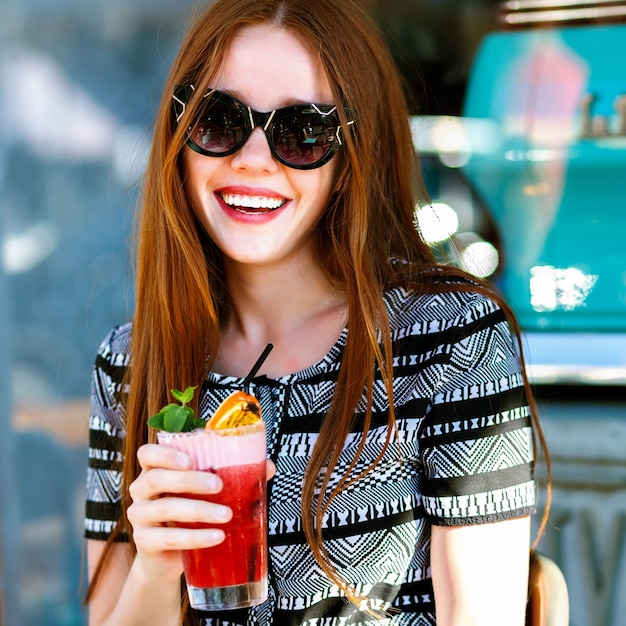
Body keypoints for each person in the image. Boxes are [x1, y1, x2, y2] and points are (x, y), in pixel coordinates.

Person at [84, 0, 549, 624]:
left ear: (354, 154)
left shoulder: (450, 340)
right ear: (179, 133)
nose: (252, 159)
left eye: (304, 131)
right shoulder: (133, 361)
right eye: (219, 120)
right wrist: (157, 565)